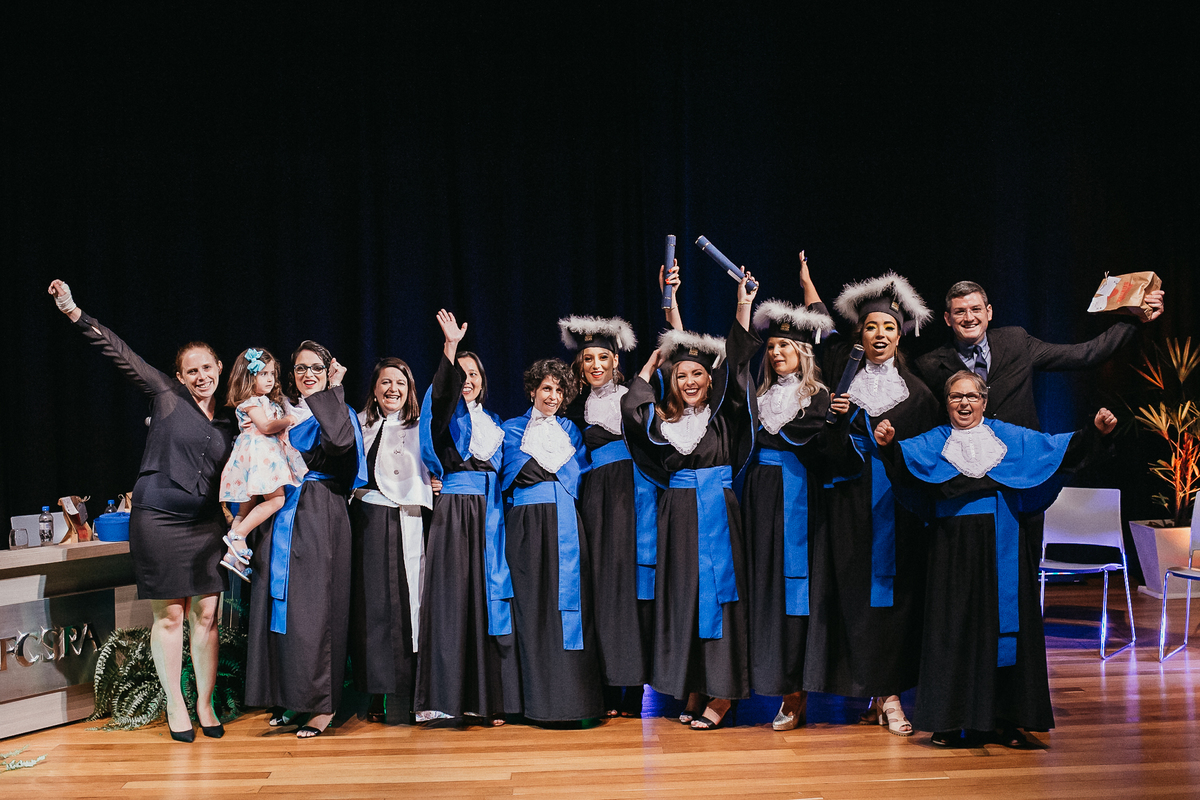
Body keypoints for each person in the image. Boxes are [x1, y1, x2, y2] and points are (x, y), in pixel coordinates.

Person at [874, 371, 1117, 747]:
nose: (964, 403)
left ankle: (1007, 721)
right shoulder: (933, 442)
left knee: (1009, 628)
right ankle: (950, 722)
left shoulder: (1011, 438)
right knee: (952, 629)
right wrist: (890, 447)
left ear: (984, 402)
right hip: (951, 550)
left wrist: (1095, 432)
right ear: (947, 402)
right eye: (956, 397)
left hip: (1004, 543)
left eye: (972, 396)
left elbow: (1059, 450)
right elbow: (906, 472)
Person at [48, 279, 235, 743]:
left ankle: (205, 704)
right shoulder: (166, 396)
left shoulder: (234, 419)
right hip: (159, 521)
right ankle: (176, 704)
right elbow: (120, 353)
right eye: (190, 370)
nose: (199, 376)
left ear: (219, 368)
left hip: (206, 525)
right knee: (171, 616)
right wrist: (74, 310)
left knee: (207, 615)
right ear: (179, 374)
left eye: (206, 367)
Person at [621, 272, 760, 730]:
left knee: (719, 597)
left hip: (718, 513)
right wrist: (644, 373)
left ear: (709, 377)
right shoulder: (665, 424)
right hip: (677, 517)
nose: (690, 380)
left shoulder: (721, 418)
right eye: (680, 375)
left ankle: (722, 693)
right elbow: (634, 416)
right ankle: (696, 682)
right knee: (686, 598)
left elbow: (736, 361)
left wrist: (742, 305)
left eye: (698, 373)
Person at [806, 271, 938, 737]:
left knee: (894, 598)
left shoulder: (919, 394)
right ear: (859, 336)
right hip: (845, 506)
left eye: (888, 328)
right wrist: (836, 422)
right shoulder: (841, 389)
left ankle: (892, 694)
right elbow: (824, 454)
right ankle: (867, 689)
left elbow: (929, 456)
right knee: (852, 597)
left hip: (897, 509)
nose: (879, 335)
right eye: (870, 327)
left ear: (899, 335)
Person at [244, 340, 367, 739]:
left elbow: (340, 443)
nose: (307, 374)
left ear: (330, 370)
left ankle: (322, 706)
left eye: (316, 367)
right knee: (281, 610)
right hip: (280, 512)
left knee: (316, 613)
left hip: (320, 514)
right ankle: (289, 698)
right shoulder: (280, 412)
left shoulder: (337, 410)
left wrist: (332, 392)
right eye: (300, 369)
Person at [743, 252, 835, 731]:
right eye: (773, 346)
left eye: (787, 346)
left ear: (804, 352)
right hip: (760, 497)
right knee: (764, 590)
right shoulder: (756, 397)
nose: (778, 352)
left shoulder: (817, 396)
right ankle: (766, 680)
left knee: (799, 591)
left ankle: (797, 690)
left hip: (800, 497)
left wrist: (808, 287)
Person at [415, 310, 519, 725]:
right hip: (455, 514)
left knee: (486, 602)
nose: (468, 379)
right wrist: (450, 350)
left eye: (473, 373)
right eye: (462, 373)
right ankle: (445, 699)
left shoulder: (494, 423)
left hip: (489, 515)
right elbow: (441, 397)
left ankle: (485, 699)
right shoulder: (448, 414)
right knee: (453, 603)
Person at [558, 315, 655, 718]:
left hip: (634, 494)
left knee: (632, 585)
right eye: (587, 359)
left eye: (603, 357)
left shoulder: (636, 392)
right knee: (601, 589)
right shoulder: (576, 405)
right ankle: (607, 683)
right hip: (595, 498)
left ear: (616, 360)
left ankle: (634, 686)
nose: (595, 365)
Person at [501, 358, 604, 723]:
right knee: (530, 609)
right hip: (526, 527)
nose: (553, 396)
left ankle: (571, 702)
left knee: (568, 610)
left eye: (560, 390)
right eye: (547, 388)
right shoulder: (510, 430)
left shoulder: (570, 431)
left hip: (565, 526)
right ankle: (530, 703)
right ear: (532, 391)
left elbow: (578, 475)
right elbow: (506, 474)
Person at [914, 280, 1165, 429]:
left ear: (989, 312)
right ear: (947, 319)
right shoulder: (929, 365)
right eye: (960, 312)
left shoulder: (1016, 342)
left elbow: (1086, 354)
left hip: (1023, 467)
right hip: (964, 477)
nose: (969, 318)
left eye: (976, 309)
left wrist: (1137, 317)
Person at [350, 357, 435, 724]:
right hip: (369, 520)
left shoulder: (419, 428)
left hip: (407, 519)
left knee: (408, 604)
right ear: (374, 388)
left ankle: (413, 692)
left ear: (410, 389)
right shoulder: (361, 426)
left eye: (400, 382)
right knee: (373, 607)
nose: (392, 389)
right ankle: (374, 690)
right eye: (385, 382)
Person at [217, 347, 305, 581]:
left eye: (272, 374)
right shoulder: (252, 402)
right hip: (260, 457)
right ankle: (238, 535)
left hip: (254, 458)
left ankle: (231, 555)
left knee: (245, 509)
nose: (269, 379)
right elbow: (266, 427)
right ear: (248, 377)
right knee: (276, 499)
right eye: (263, 373)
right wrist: (288, 420)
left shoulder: (265, 401)